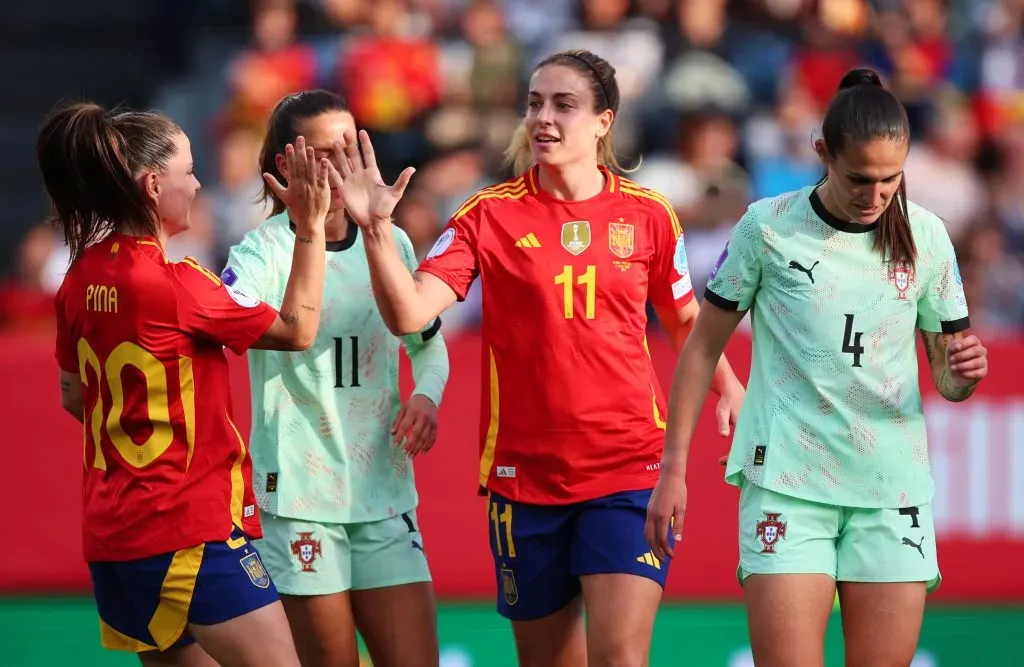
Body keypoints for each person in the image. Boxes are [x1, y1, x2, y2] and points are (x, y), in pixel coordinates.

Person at [332, 49, 746, 667]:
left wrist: (731, 387)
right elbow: (411, 315)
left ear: (604, 121)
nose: (543, 118)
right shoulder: (487, 215)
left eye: (564, 105)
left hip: (629, 470)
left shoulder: (649, 214)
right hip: (523, 481)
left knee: (620, 660)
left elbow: (688, 322)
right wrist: (372, 231)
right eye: (534, 104)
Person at [645, 68, 990, 667]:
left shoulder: (929, 237)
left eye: (891, 179)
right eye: (860, 178)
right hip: (786, 485)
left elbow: (949, 380)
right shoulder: (766, 227)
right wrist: (672, 468)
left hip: (891, 491)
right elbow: (701, 348)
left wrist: (965, 371)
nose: (876, 195)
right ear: (822, 153)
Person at [41, 100, 338, 666]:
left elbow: (72, 395)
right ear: (154, 185)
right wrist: (310, 226)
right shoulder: (178, 284)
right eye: (188, 171)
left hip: (113, 539)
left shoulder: (77, 278)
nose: (198, 185)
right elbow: (298, 330)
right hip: (187, 531)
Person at [222, 90, 449, 667]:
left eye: (351, 147)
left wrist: (425, 396)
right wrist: (309, 233)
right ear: (285, 167)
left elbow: (428, 346)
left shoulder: (391, 240)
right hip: (300, 499)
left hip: (383, 492)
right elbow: (231, 325)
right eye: (326, 152)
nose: (345, 164)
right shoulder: (260, 253)